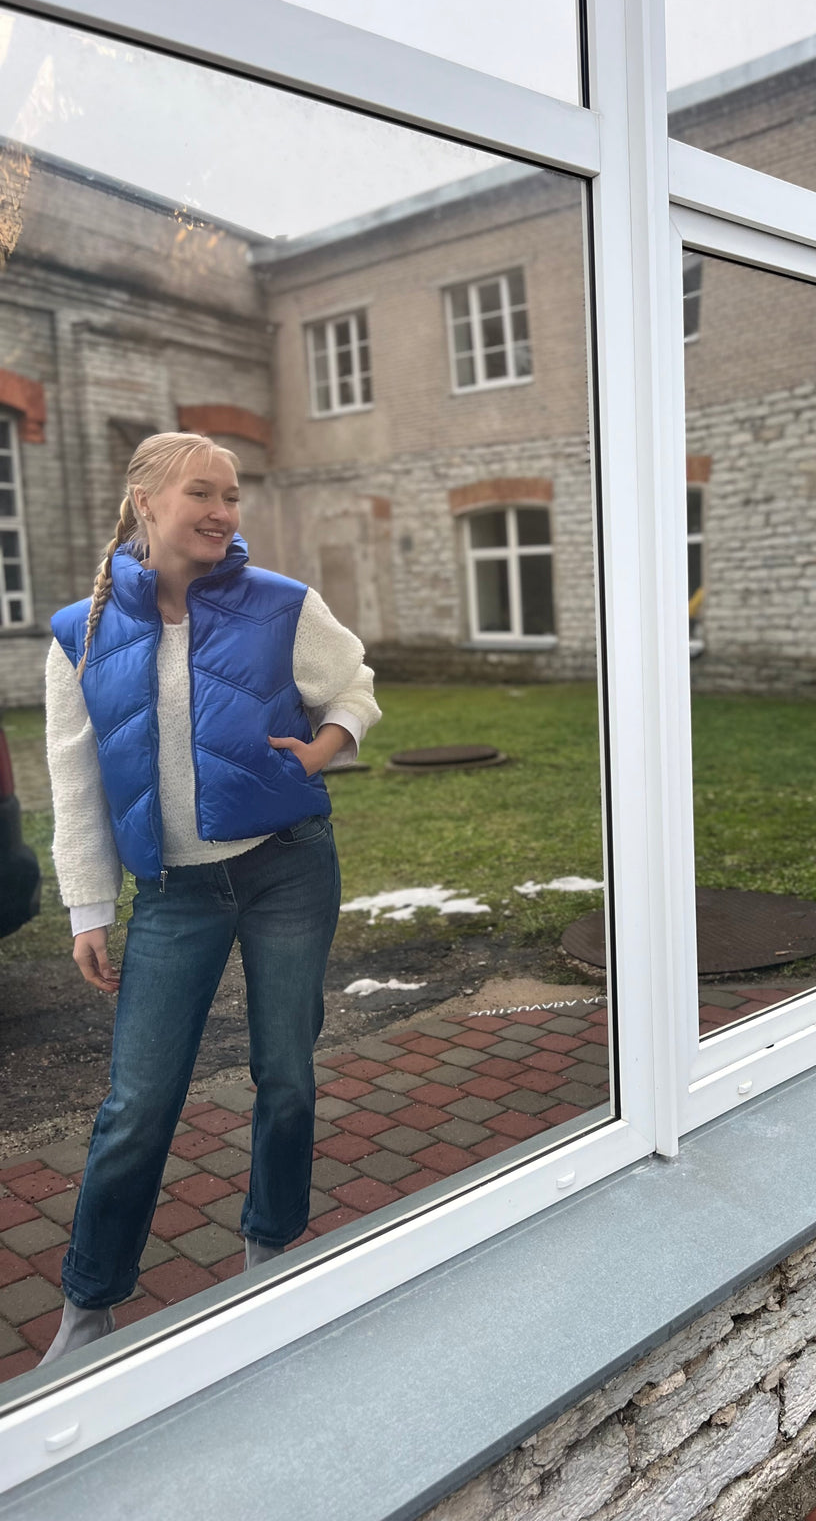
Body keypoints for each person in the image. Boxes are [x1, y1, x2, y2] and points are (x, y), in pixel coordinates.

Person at [41, 432, 380, 1366]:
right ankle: (90, 1305)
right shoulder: (84, 628)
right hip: (173, 893)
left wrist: (328, 742)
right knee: (139, 1102)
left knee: (286, 1071)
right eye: (203, 492)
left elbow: (352, 682)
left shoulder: (281, 603)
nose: (224, 512)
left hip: (287, 867)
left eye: (232, 495)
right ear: (145, 500)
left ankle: (271, 1251)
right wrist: (88, 907)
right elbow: (75, 782)